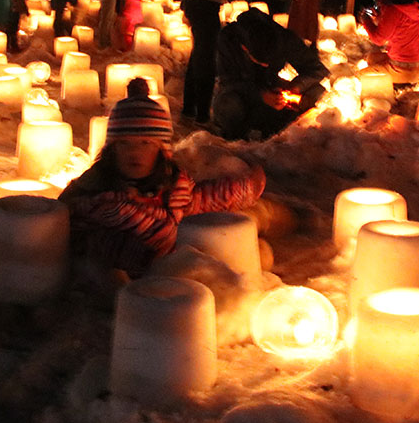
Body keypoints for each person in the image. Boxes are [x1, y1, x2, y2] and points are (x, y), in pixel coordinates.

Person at [60, 78, 266, 279]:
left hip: (172, 278)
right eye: (124, 144)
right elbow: (70, 230)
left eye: (145, 143)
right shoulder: (97, 200)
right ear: (111, 150)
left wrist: (246, 187)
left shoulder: (173, 188)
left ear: (162, 150)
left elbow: (204, 198)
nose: (134, 152)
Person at [212, 7, 328, 139]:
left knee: (317, 91)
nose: (267, 65)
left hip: (272, 86)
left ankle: (284, 132)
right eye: (261, 62)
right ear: (245, 48)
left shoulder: (283, 38)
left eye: (271, 60)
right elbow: (228, 81)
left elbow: (316, 69)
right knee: (229, 105)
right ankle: (236, 135)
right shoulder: (228, 39)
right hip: (242, 91)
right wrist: (260, 95)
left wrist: (295, 88)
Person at [359, 0, 419, 84]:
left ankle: (390, 88)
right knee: (372, 58)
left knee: (360, 76)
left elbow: (378, 39)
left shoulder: (393, 10)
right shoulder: (411, 8)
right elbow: (398, 26)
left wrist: (366, 21)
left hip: (403, 70)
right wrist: (379, 19)